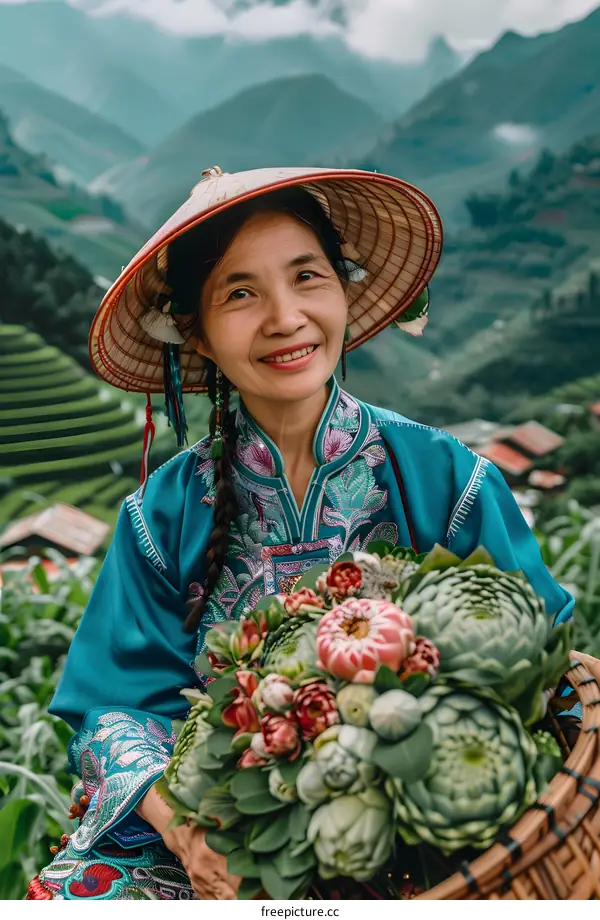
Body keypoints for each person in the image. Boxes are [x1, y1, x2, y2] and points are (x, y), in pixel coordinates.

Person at [27, 166, 573, 901]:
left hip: (421, 817)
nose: (285, 318)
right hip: (215, 828)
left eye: (307, 277)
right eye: (240, 293)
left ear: (343, 293)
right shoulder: (159, 514)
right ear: (196, 332)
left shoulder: (448, 478)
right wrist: (189, 838)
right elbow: (114, 708)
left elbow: (542, 659)